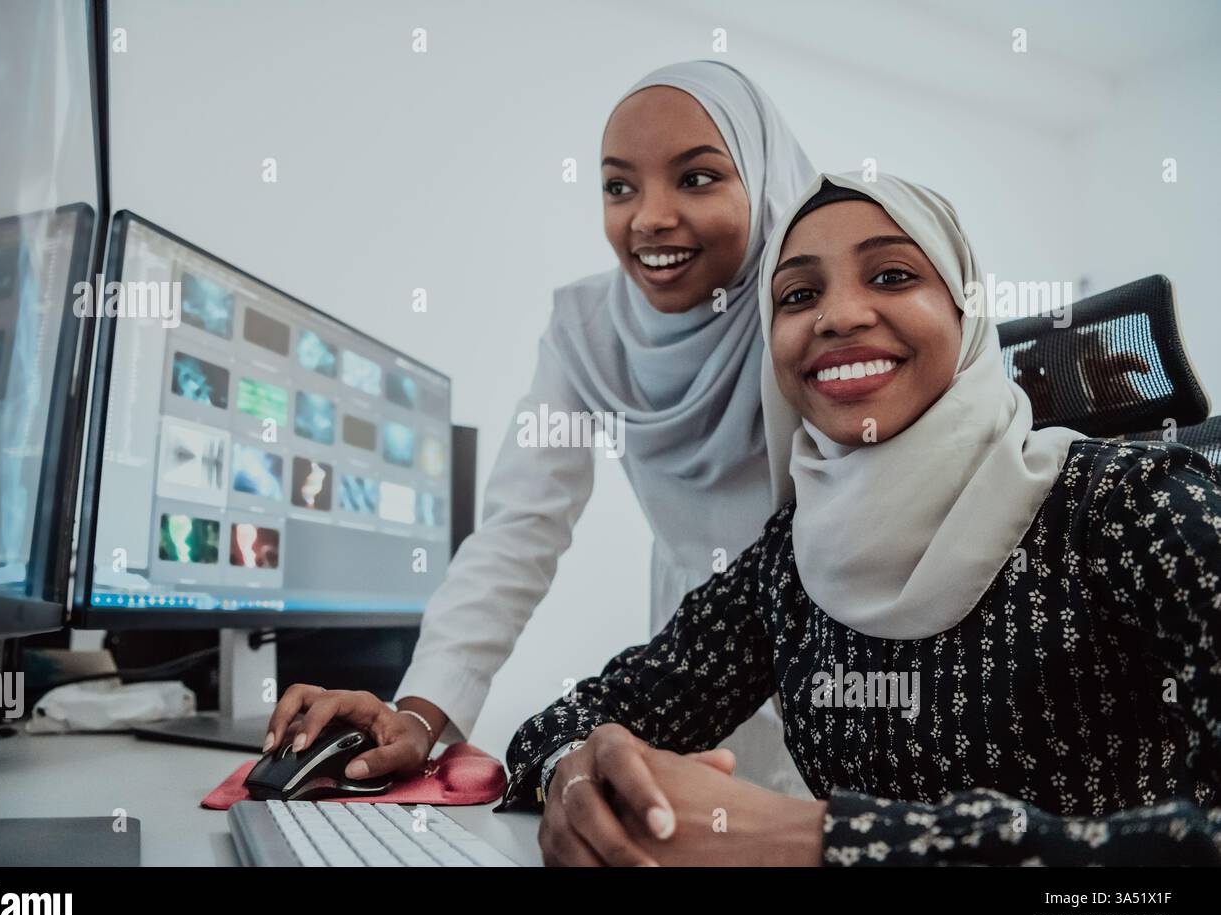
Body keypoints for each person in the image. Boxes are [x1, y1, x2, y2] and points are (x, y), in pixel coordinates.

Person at [498, 173, 1221, 866]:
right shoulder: (790, 559)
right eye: (799, 293)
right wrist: (578, 773)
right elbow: (583, 715)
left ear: (966, 314)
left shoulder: (1134, 502)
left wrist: (818, 843)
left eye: (892, 276)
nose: (838, 315)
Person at [262, 61, 818, 796]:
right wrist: (420, 714)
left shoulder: (814, 312)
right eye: (619, 186)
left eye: (697, 178)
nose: (648, 216)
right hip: (693, 653)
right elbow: (518, 531)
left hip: (837, 636)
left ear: (766, 179)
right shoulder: (589, 331)